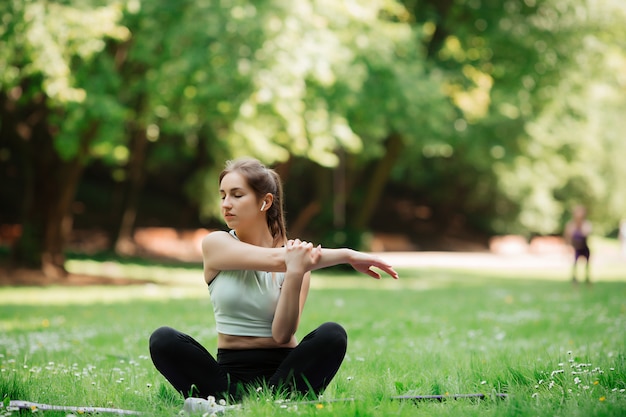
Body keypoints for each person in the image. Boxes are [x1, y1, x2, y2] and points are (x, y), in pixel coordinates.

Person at [149, 158, 398, 404]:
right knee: (163, 340)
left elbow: (281, 335)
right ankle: (241, 399)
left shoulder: (298, 262)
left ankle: (271, 398)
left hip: (285, 374)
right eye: (223, 195)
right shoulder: (217, 244)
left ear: (265, 201)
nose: (226, 204)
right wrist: (347, 255)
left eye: (237, 195)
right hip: (227, 377)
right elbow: (273, 259)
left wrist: (296, 271)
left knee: (333, 334)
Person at [563, 205, 592, 284]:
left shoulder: (586, 224)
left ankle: (587, 279)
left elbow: (586, 234)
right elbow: (568, 237)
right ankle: (574, 280)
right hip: (575, 248)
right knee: (574, 264)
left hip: (584, 247)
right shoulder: (571, 225)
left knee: (587, 264)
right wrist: (568, 247)